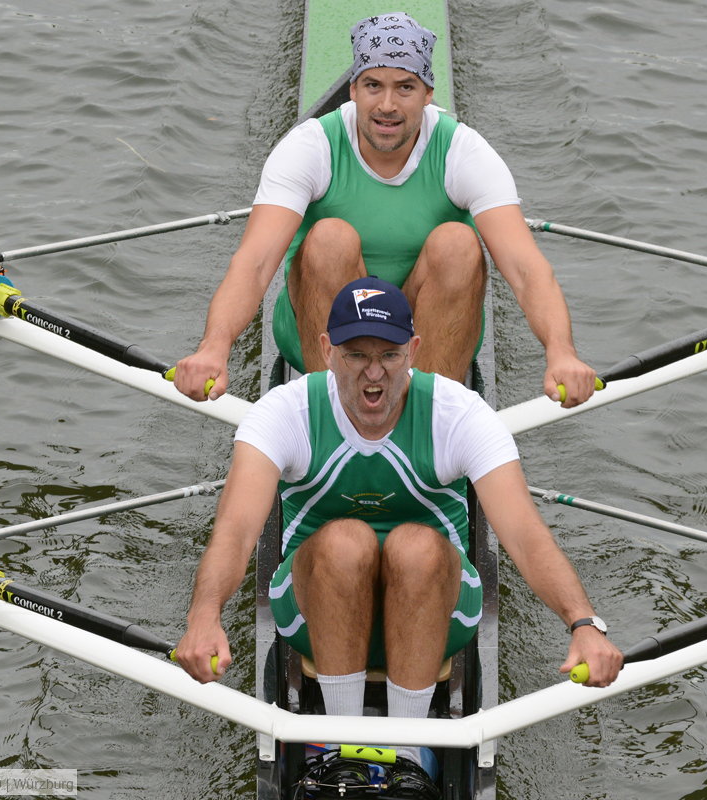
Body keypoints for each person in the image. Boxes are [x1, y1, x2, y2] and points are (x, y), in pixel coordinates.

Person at [174, 277, 623, 787]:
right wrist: (204, 615)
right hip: (313, 613)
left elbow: (524, 534)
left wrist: (584, 623)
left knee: (415, 546)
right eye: (355, 355)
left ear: (414, 350)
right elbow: (235, 530)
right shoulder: (285, 411)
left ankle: (406, 757)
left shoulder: (458, 414)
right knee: (346, 542)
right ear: (325, 350)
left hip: (438, 609)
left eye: (389, 356)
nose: (373, 375)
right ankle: (339, 748)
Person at [173, 11, 599, 407]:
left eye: (405, 87)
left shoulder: (463, 151)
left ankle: (430, 416)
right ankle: (334, 414)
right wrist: (215, 347)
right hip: (330, 317)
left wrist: (561, 353)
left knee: (458, 243)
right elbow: (255, 262)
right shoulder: (310, 147)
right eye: (374, 85)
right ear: (354, 89)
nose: (388, 106)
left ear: (428, 94)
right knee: (329, 238)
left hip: (425, 325)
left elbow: (526, 269)